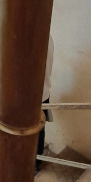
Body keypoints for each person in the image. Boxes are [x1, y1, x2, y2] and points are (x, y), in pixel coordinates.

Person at [36, 36, 54, 172]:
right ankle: (36, 162)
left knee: (31, 130)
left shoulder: (29, 39)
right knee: (39, 128)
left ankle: (33, 162)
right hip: (43, 92)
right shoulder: (47, 34)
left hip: (31, 96)